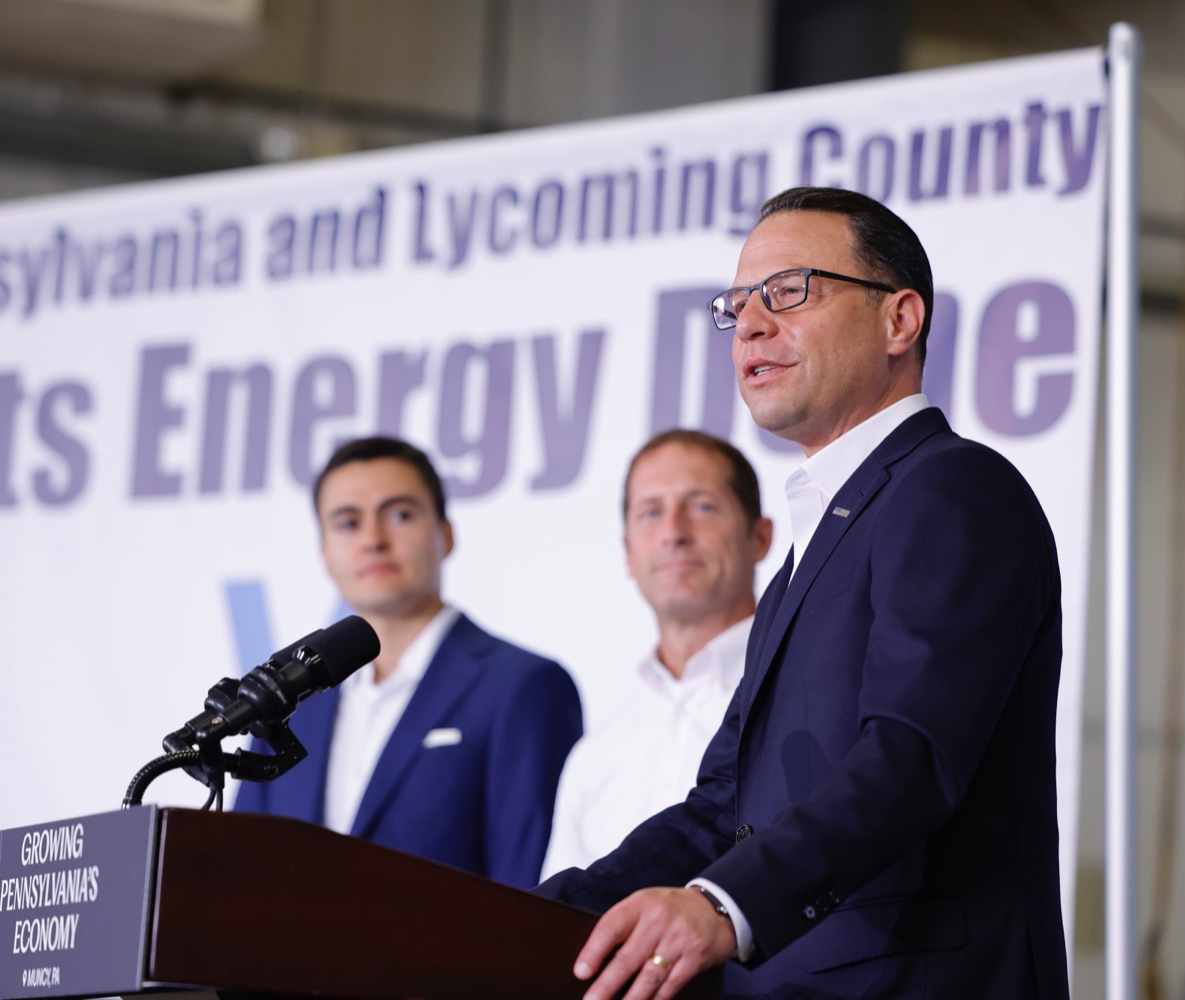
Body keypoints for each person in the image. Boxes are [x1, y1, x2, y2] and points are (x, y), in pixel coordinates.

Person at [535, 187, 1068, 1000]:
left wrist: (723, 902)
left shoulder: (955, 490)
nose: (749, 324)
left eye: (789, 291)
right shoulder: (803, 558)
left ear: (900, 320)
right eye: (738, 304)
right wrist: (536, 917)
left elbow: (911, 756)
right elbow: (723, 807)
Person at [235, 435, 583, 889]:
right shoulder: (290, 699)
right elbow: (242, 868)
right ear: (323, 552)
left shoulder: (523, 687)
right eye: (348, 522)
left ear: (446, 534)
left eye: (399, 514)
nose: (374, 540)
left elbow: (529, 886)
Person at [541, 430, 771, 879]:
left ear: (759, 537)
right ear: (627, 552)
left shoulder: (807, 691)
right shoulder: (595, 755)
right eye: (650, 512)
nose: (673, 534)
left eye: (702, 506)